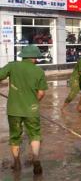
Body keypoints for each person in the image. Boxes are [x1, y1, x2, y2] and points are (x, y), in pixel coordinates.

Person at [0, 45, 48, 175]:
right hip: (31, 110)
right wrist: (33, 102)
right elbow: (42, 93)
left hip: (14, 110)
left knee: (15, 136)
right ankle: (36, 159)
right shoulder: (39, 72)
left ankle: (16, 163)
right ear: (34, 57)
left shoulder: (12, 66)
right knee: (35, 135)